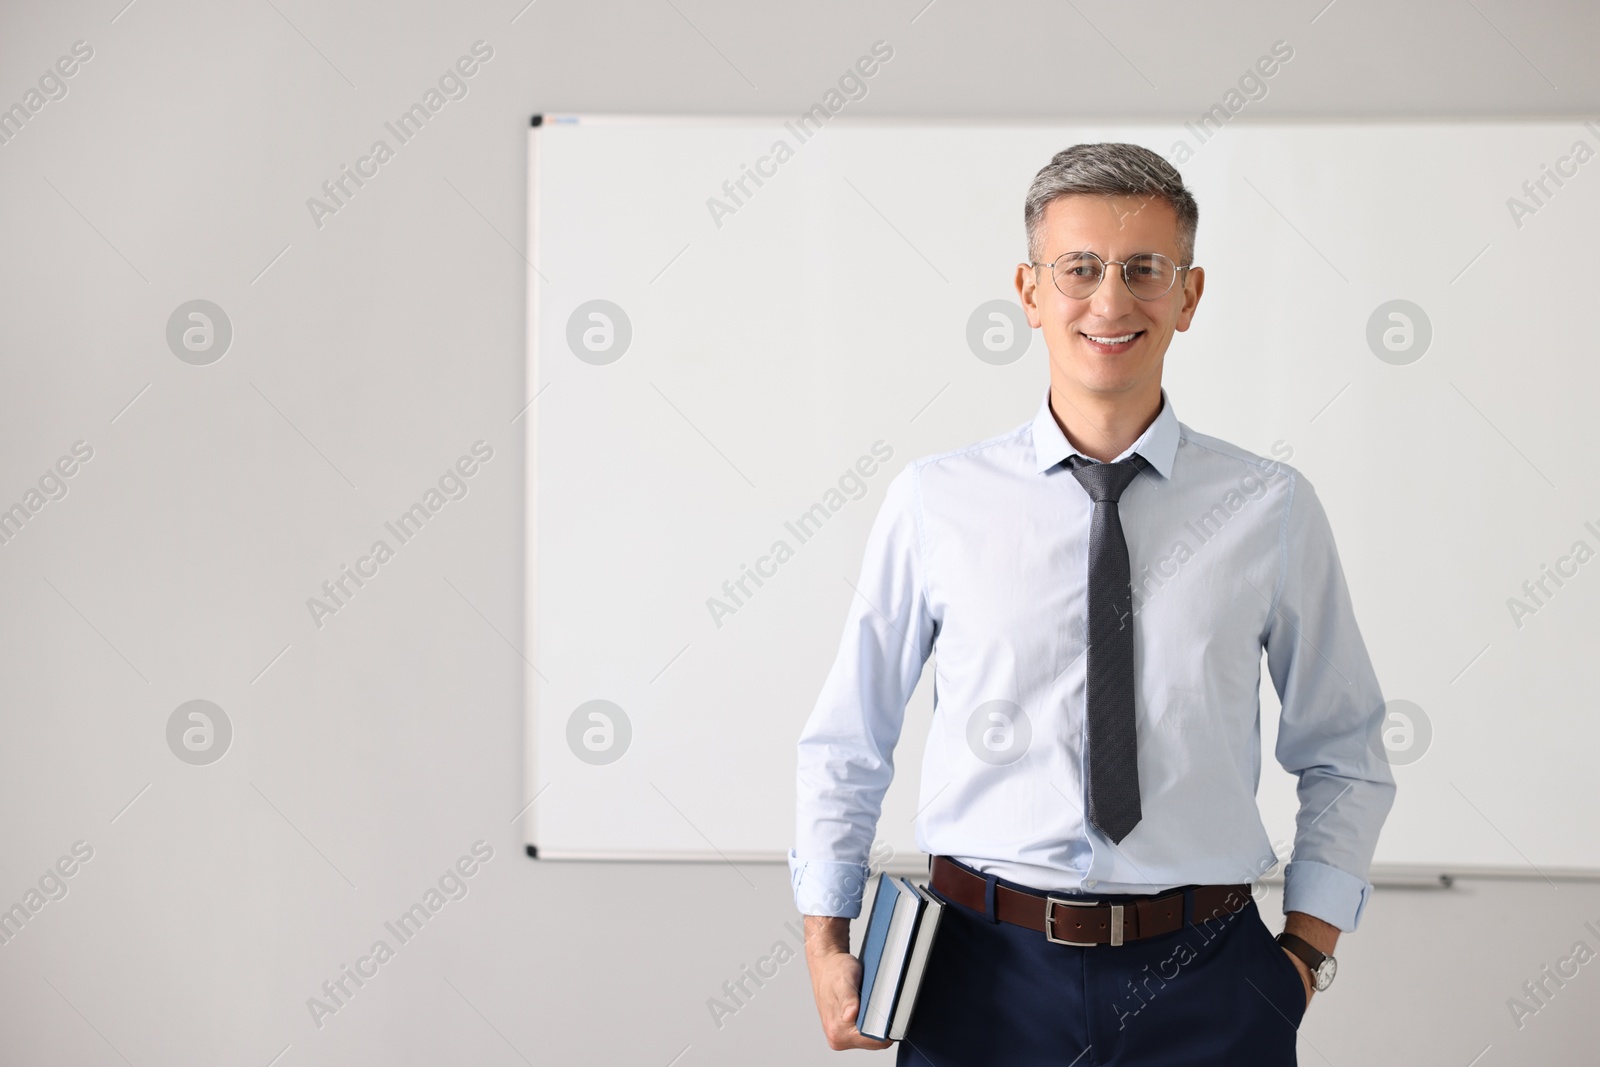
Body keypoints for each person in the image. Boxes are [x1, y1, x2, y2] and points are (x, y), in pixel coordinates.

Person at [790, 142, 1396, 1065]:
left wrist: (1303, 957)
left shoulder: (1268, 508)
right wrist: (826, 935)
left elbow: (1346, 746)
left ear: (1188, 296)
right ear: (1030, 293)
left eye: (1144, 269)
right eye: (1080, 268)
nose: (1110, 301)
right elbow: (849, 734)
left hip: (1209, 979)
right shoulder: (934, 502)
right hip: (975, 976)